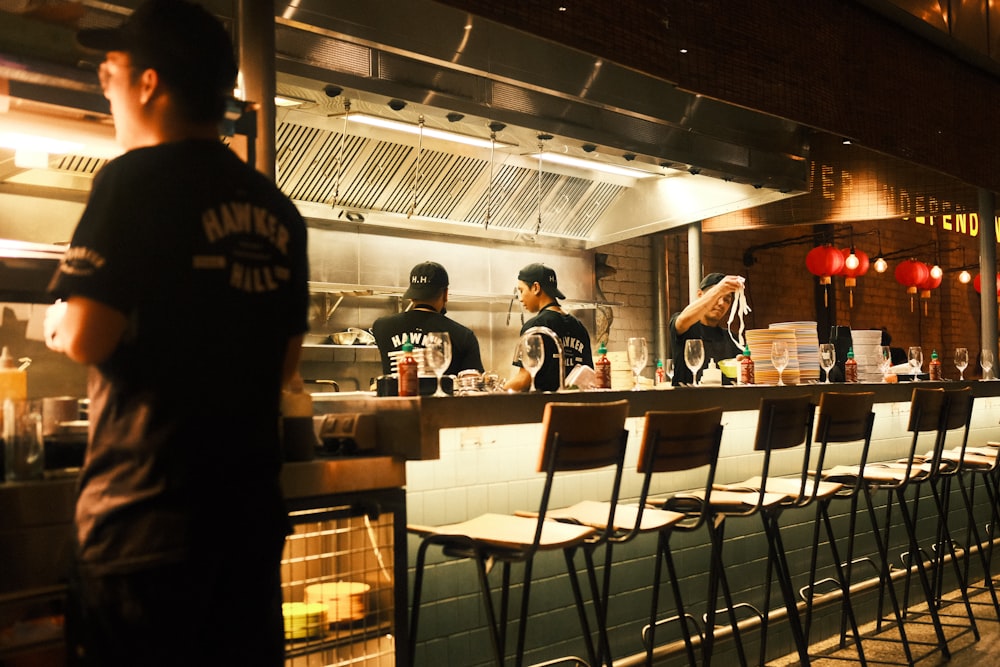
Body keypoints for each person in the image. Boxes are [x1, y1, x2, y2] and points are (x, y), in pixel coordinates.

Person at [42, 2, 309, 665]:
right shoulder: (276, 208)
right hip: (246, 533)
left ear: (149, 82)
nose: (106, 82)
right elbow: (283, 366)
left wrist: (56, 320)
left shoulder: (132, 181)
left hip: (144, 533)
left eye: (112, 68)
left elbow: (85, 337)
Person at [371, 260, 484, 375]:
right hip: (442, 392)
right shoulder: (463, 336)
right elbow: (472, 381)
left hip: (395, 392)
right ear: (445, 294)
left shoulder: (381, 327)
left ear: (412, 296)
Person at [508, 263, 593, 392]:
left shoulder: (535, 327)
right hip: (576, 409)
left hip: (544, 408)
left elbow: (524, 380)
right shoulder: (579, 327)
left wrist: (494, 391)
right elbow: (589, 376)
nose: (520, 298)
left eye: (521, 290)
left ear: (536, 287)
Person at [670, 272, 743, 386]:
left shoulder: (732, 339)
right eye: (717, 297)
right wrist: (720, 289)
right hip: (685, 400)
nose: (721, 303)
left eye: (727, 299)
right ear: (700, 295)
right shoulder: (686, 326)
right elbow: (682, 320)